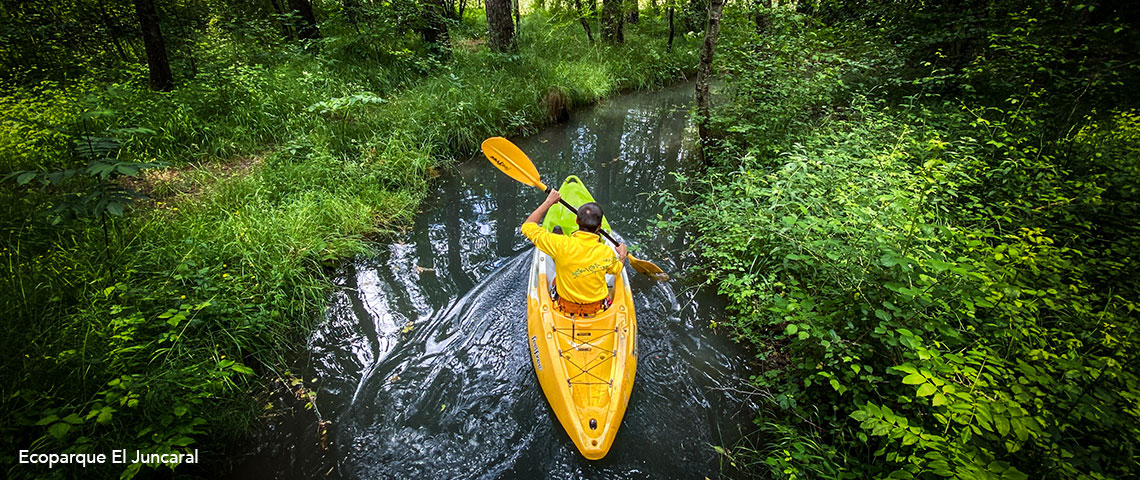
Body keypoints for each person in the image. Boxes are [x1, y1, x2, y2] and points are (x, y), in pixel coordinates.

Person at [521, 189, 627, 315]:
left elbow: (527, 226)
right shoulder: (606, 252)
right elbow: (616, 269)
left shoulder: (561, 244)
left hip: (566, 307)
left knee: (556, 276)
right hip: (596, 308)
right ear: (599, 227)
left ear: (577, 221)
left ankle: (557, 235)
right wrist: (622, 255)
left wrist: (548, 202)